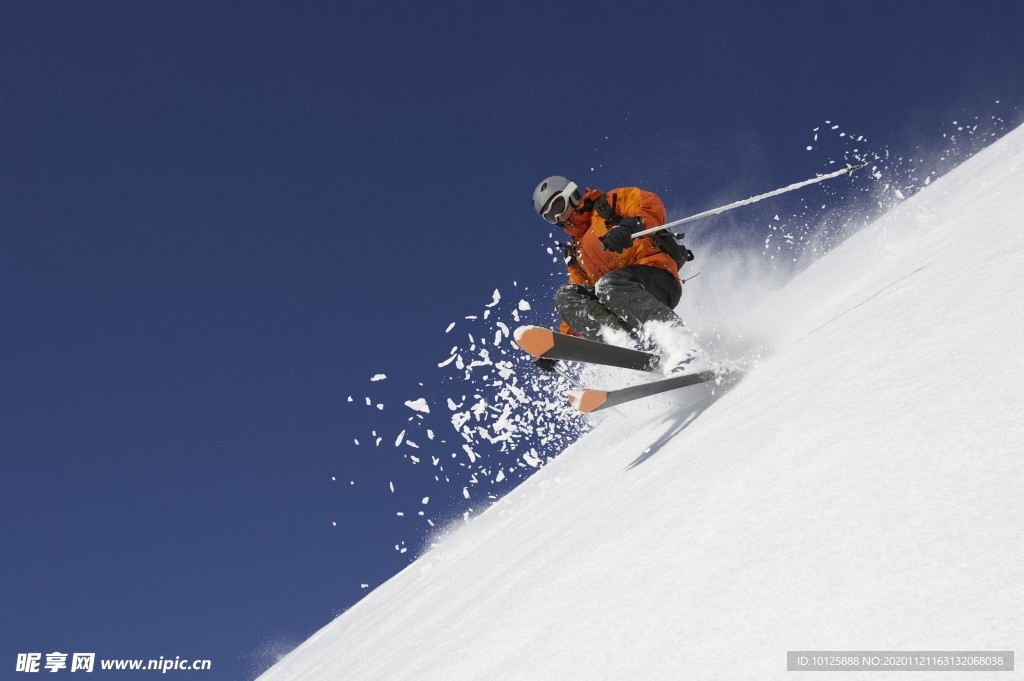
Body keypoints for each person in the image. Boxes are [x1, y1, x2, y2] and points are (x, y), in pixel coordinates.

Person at [531, 175, 698, 373]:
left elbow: (650, 203)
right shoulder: (576, 252)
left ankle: (681, 344)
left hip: (656, 280)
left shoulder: (607, 205)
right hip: (618, 300)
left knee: (606, 285)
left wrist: (629, 226)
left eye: (558, 206)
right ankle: (626, 343)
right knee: (566, 296)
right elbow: (583, 300)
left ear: (572, 195)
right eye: (550, 216)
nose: (558, 217)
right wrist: (560, 346)